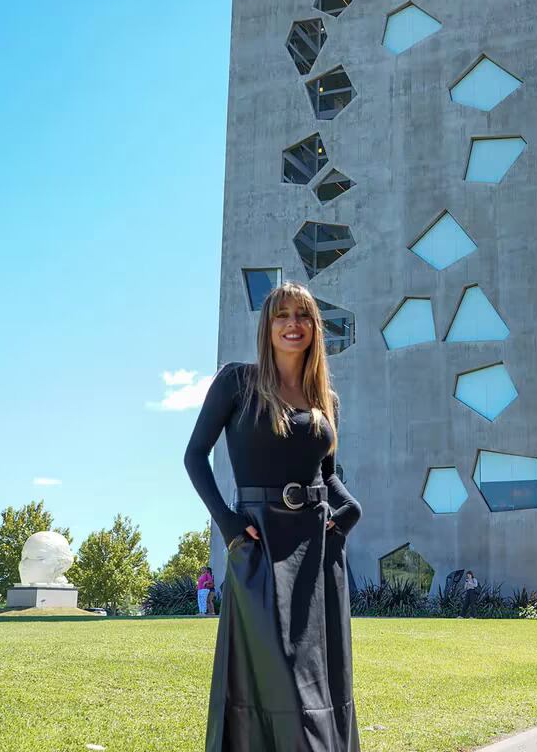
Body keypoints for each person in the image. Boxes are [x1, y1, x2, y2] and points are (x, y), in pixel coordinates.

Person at [184, 281, 362, 752]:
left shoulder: (327, 400)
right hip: (258, 542)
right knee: (277, 672)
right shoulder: (236, 382)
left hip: (318, 551)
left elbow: (327, 473)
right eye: (282, 315)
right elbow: (194, 457)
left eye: (302, 316)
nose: (292, 324)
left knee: (319, 676)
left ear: (315, 328)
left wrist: (350, 510)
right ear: (267, 325)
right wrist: (227, 525)